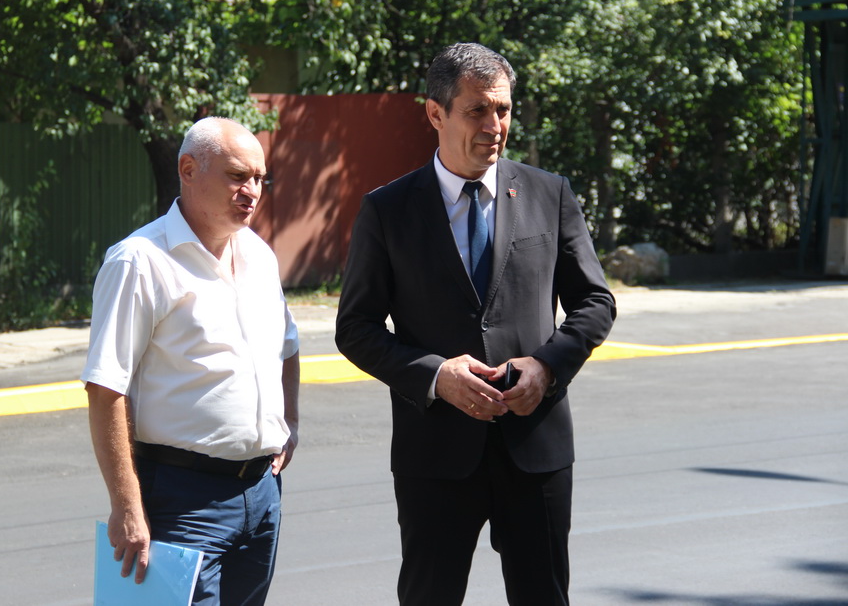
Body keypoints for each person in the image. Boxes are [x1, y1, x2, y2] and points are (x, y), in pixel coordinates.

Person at [335, 43, 616, 605]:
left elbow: (595, 302)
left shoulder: (550, 193)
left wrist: (546, 367)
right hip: (436, 454)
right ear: (435, 114)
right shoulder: (388, 210)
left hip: (533, 445)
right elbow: (356, 328)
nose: (494, 126)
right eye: (477, 111)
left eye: (503, 110)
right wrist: (435, 376)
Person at [82, 117, 300, 606]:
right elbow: (105, 388)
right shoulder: (139, 260)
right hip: (182, 499)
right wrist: (127, 505)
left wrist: (291, 422)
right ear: (187, 169)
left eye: (260, 179)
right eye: (237, 176)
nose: (252, 191)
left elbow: (288, 345)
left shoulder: (259, 255)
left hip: (262, 493)